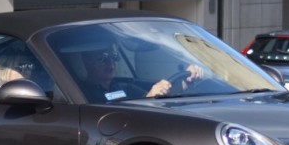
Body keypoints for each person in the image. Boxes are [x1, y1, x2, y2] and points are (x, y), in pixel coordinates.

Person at [73, 32, 203, 103]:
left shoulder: (124, 87)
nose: (111, 63)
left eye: (114, 56)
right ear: (87, 61)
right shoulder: (82, 94)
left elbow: (162, 96)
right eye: (103, 58)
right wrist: (150, 96)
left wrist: (186, 81)